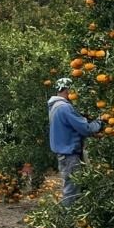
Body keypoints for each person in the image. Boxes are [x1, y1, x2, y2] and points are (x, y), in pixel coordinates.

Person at [48, 77, 103, 205]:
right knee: (72, 190)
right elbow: (85, 128)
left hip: (64, 154)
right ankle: (67, 221)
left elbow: (70, 128)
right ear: (68, 90)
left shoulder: (54, 106)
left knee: (75, 187)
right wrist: (99, 122)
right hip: (69, 155)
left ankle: (72, 218)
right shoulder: (64, 108)